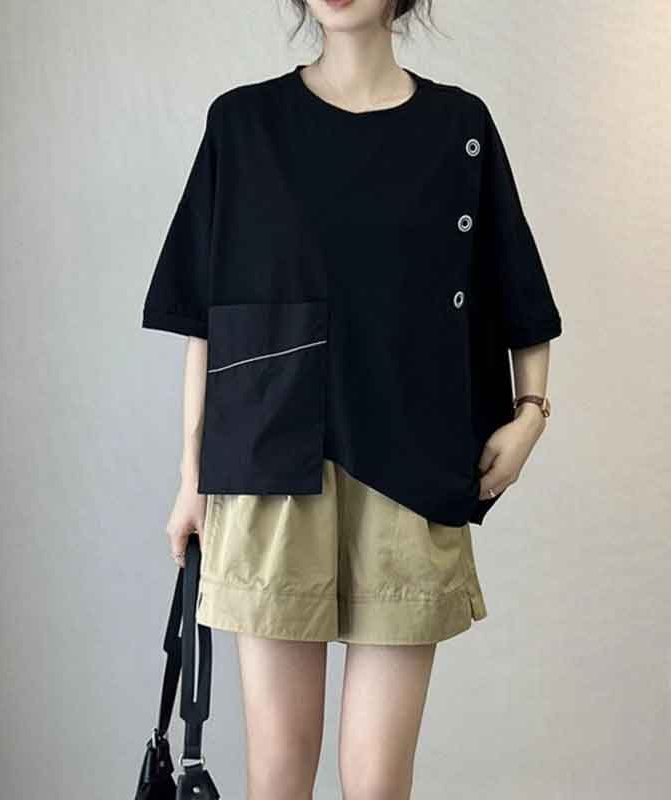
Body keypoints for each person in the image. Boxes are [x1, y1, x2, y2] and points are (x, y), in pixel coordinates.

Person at [141, 1, 562, 797]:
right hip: (268, 466)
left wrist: (531, 414)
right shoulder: (243, 124)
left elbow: (518, 293)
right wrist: (191, 477)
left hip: (413, 464)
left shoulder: (459, 128)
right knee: (278, 771)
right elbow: (208, 320)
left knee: (378, 780)